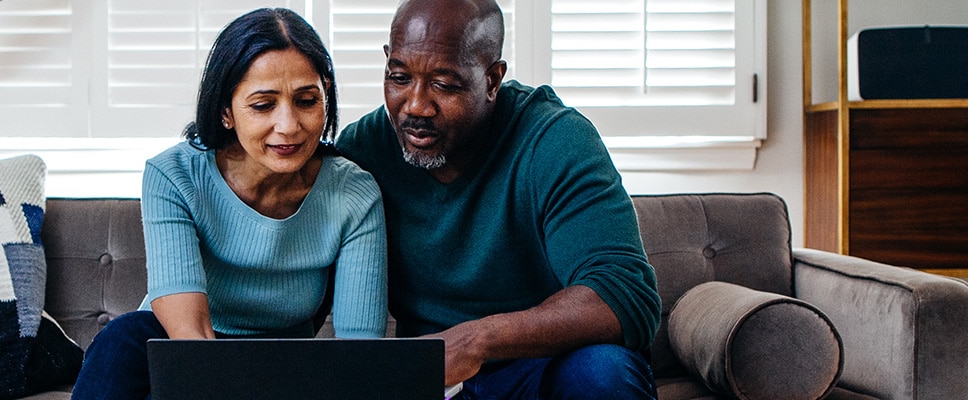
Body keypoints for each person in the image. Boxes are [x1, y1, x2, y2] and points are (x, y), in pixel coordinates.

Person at [334, 0, 662, 398]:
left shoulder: (555, 140)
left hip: (542, 371)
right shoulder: (363, 149)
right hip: (430, 382)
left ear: (492, 80)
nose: (416, 105)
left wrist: (477, 339)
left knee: (602, 372)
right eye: (399, 77)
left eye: (444, 84)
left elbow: (625, 293)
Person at [70, 8, 389, 399]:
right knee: (125, 337)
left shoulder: (354, 195)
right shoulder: (174, 175)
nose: (289, 125)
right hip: (184, 350)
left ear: (325, 95)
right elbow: (190, 337)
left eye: (307, 101)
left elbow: (361, 354)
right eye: (263, 105)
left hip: (284, 364)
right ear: (226, 111)